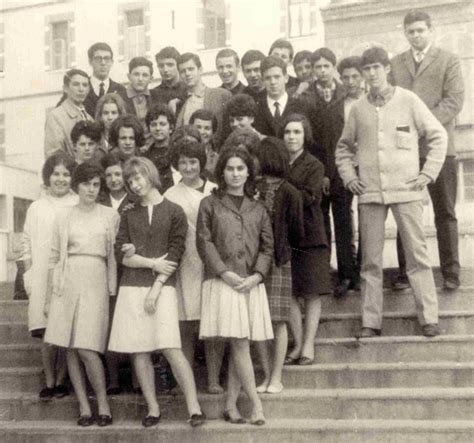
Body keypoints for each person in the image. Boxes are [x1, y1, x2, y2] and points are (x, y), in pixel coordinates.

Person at [335, 47, 447, 338]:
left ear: (386, 69)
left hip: (408, 190)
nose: (371, 74)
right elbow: (343, 149)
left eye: (376, 68)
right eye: (367, 69)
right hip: (370, 193)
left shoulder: (408, 100)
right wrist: (349, 177)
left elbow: (438, 135)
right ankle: (371, 322)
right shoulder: (358, 109)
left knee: (417, 256)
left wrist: (427, 173)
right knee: (370, 261)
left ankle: (429, 318)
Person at [108, 157, 205, 428]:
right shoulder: (128, 214)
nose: (135, 184)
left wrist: (156, 286)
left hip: (163, 289)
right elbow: (121, 256)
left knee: (171, 347)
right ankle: (152, 409)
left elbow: (175, 254)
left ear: (150, 175)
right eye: (130, 181)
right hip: (131, 288)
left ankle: (194, 407)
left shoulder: (174, 211)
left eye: (138, 178)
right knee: (139, 351)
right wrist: (150, 262)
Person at [196, 145, 274, 425]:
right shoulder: (210, 204)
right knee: (239, 342)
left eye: (241, 168)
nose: (235, 174)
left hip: (250, 283)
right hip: (224, 282)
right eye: (230, 168)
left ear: (248, 172)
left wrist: (257, 276)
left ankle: (230, 405)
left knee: (240, 342)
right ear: (222, 172)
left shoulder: (259, 208)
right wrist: (224, 272)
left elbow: (268, 248)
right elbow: (204, 242)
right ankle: (257, 405)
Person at [391, 9, 465, 291]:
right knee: (404, 210)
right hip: (404, 149)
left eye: (420, 30)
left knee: (444, 211)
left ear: (430, 30)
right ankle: (404, 271)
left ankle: (451, 271)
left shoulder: (449, 60)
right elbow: (390, 100)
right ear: (405, 33)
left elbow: (454, 101)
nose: (416, 35)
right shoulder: (395, 63)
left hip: (439, 147)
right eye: (411, 31)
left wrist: (424, 124)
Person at [44, 162, 119, 427]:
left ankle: (103, 403)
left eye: (96, 184)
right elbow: (54, 257)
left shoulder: (110, 215)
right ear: (77, 185)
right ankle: (85, 407)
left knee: (87, 347)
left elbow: (114, 256)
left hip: (96, 278)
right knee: (71, 347)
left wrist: (113, 290)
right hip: (68, 280)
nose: (91, 188)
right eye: (86, 183)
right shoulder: (64, 215)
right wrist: (48, 296)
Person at [164, 141, 225, 394]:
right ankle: (184, 380)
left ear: (202, 163)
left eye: (193, 162)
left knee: (213, 323)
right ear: (176, 165)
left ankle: (213, 379)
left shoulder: (215, 190)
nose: (188, 167)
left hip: (211, 260)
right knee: (185, 324)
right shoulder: (169, 195)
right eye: (183, 162)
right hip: (183, 261)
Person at [22, 152, 78, 401]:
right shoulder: (37, 207)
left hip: (69, 275)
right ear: (48, 176)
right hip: (42, 275)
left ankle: (64, 379)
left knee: (65, 330)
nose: (61, 178)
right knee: (46, 331)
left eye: (66, 174)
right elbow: (26, 244)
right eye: (56, 173)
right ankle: (49, 380)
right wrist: (29, 275)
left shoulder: (78, 203)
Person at [280, 113, 331, 366]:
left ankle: (309, 344)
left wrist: (281, 189)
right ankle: (297, 342)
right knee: (288, 292)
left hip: (309, 234)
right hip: (284, 235)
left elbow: (309, 197)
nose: (292, 137)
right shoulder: (278, 162)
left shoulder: (314, 164)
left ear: (305, 135)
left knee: (311, 292)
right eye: (288, 132)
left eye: (297, 132)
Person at [254, 137, 304, 394]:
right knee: (267, 321)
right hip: (265, 262)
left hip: (269, 262)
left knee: (271, 321)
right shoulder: (255, 189)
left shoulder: (287, 191)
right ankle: (270, 376)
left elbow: (297, 231)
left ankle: (273, 376)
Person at [176, 52, 232, 144]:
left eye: (191, 69)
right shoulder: (179, 103)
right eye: (183, 71)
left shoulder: (220, 95)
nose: (187, 74)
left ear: (200, 70)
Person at [253, 56, 316, 138]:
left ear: (286, 78)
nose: (273, 82)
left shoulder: (303, 105)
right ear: (263, 80)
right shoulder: (257, 109)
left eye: (277, 77)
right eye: (268, 78)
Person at [44, 69, 94, 158]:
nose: (81, 89)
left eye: (85, 85)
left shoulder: (89, 118)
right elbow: (54, 155)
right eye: (76, 84)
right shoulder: (56, 117)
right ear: (65, 88)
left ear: (88, 89)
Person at [84, 42, 127, 117]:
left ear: (112, 62)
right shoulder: (81, 88)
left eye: (107, 58)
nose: (103, 63)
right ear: (90, 62)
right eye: (98, 58)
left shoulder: (121, 90)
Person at [143, 104, 178, 193]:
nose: (158, 128)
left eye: (162, 124)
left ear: (171, 128)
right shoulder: (145, 157)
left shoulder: (177, 153)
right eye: (153, 125)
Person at [117, 57, 154, 134]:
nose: (140, 79)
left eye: (145, 75)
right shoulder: (119, 98)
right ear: (129, 76)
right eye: (136, 74)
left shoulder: (156, 97)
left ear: (151, 79)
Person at [150, 46, 188, 112]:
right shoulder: (153, 93)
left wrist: (179, 100)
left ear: (178, 66)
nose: (165, 70)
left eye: (170, 65)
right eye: (161, 66)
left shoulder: (188, 89)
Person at [95, 93, 127, 158]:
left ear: (120, 115)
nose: (110, 117)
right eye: (106, 113)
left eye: (114, 113)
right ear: (100, 116)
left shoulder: (126, 138)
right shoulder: (95, 138)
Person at [190, 109, 220, 178]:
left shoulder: (217, 159)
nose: (202, 132)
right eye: (198, 127)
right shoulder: (181, 153)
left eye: (207, 128)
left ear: (213, 132)